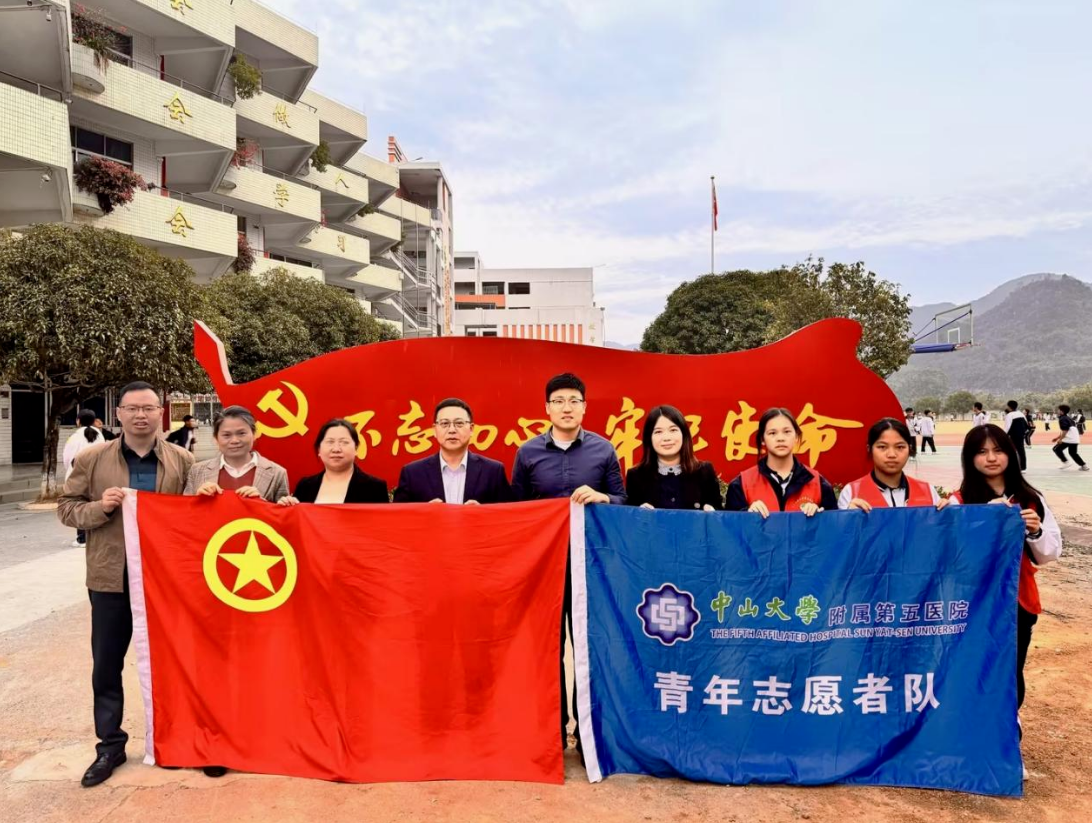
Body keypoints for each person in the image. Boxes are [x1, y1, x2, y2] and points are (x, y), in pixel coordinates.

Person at [57, 381, 194, 788]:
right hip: (110, 577)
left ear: (160, 413)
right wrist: (100, 508)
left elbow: (196, 514)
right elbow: (66, 508)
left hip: (166, 581)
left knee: (174, 664)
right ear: (118, 414)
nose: (141, 415)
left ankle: (173, 738)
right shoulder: (93, 458)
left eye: (148, 408)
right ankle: (110, 745)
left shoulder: (182, 460)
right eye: (132, 408)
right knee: (107, 663)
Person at [510, 373, 625, 753]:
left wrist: (603, 497)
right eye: (558, 401)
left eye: (574, 400)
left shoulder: (604, 451)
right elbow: (516, 509)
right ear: (547, 408)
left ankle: (591, 734)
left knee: (590, 647)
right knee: (547, 648)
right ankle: (553, 732)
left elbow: (623, 501)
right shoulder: (527, 453)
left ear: (584, 407)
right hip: (544, 566)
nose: (566, 407)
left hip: (591, 566)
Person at [942, 424, 1061, 757]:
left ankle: (1006, 741)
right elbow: (951, 558)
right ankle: (971, 737)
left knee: (1009, 671)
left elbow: (1050, 553)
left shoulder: (1030, 499)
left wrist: (1034, 531)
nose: (991, 458)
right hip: (973, 605)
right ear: (970, 458)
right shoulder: (959, 502)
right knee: (973, 667)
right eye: (981, 452)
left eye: (998, 450)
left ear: (1010, 453)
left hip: (1017, 603)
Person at [393, 398, 511, 504]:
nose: (452, 430)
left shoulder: (493, 472)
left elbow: (507, 516)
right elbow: (399, 517)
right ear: (434, 430)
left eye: (459, 423)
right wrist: (425, 514)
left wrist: (482, 513)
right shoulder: (412, 473)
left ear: (471, 429)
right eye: (445, 423)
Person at [724, 407, 838, 516]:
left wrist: (819, 517)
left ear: (796, 437)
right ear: (762, 439)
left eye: (787, 432)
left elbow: (833, 526)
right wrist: (746, 514)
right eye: (772, 433)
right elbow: (730, 527)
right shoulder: (741, 484)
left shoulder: (818, 484)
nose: (780, 438)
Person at [624, 404, 722, 511]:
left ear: (684, 434)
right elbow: (628, 516)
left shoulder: (704, 472)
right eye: (658, 432)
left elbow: (720, 513)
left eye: (673, 430)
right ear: (649, 438)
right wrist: (638, 513)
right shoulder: (636, 476)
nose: (666, 438)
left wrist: (712, 512)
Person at [185, 405, 289, 503]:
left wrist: (262, 503)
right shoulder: (197, 471)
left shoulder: (277, 473)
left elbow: (282, 513)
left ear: (254, 434)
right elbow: (185, 511)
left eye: (241, 433)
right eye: (226, 435)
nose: (234, 440)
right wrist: (197, 500)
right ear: (216, 438)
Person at [278, 418, 389, 504]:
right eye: (330, 442)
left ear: (356, 448)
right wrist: (286, 507)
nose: (336, 449)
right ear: (319, 450)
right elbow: (296, 521)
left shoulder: (375, 488)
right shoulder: (305, 486)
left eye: (344, 442)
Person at [838, 418, 941, 510]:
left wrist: (946, 514)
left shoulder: (928, 492)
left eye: (900, 447)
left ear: (909, 449)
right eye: (882, 447)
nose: (892, 454)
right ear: (869, 449)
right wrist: (849, 517)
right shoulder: (851, 493)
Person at [62, 410, 106, 548]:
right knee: (95, 505)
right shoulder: (100, 436)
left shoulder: (75, 437)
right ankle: (94, 536)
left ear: (78, 421)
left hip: (79, 476)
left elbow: (67, 458)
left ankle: (82, 538)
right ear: (94, 421)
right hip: (98, 474)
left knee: (80, 506)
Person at [1052, 404, 1088, 471]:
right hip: (1075, 438)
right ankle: (1084, 466)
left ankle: (1066, 462)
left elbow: (1065, 430)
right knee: (1073, 453)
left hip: (1069, 438)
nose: (1058, 411)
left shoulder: (1062, 419)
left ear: (1062, 411)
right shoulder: (1068, 418)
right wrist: (1057, 438)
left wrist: (1060, 439)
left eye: (1059, 410)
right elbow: (1067, 430)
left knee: (1056, 449)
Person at [1003, 400, 1030, 472]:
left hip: (1013, 436)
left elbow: (1007, 427)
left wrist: (1003, 435)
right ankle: (1023, 468)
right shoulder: (1021, 414)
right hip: (1021, 435)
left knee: (1010, 451)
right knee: (1021, 450)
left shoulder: (1009, 415)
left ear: (1009, 407)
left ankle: (1010, 466)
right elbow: (1026, 425)